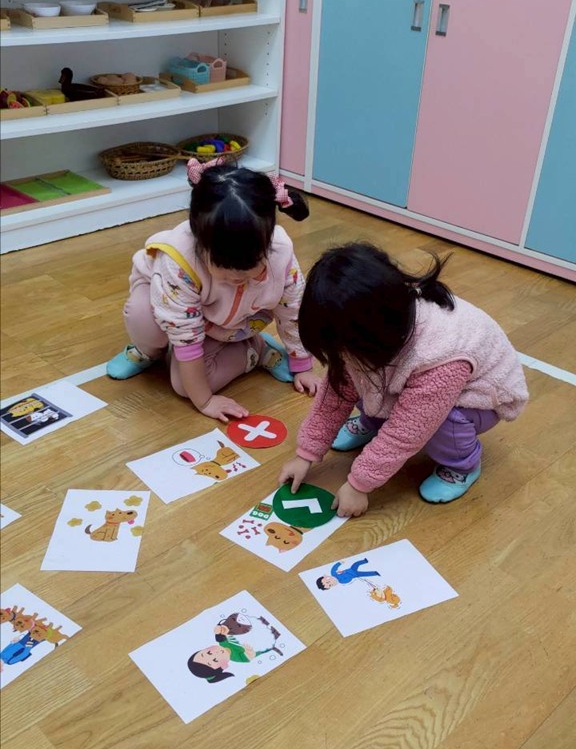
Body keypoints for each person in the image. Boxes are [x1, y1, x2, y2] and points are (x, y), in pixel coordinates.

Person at [279, 243, 528, 514]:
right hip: (409, 373)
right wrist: (306, 454)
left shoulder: (438, 356)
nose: (341, 356)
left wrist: (359, 485)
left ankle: (463, 465)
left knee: (440, 422)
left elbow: (407, 431)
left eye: (345, 350)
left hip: (481, 397)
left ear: (371, 338)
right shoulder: (372, 332)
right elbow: (336, 394)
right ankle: (372, 422)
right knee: (361, 379)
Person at [106, 160, 321, 422]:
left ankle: (256, 349)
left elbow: (293, 311)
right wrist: (205, 401)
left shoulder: (281, 253)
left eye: (251, 265)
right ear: (198, 240)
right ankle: (147, 352)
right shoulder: (180, 259)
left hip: (233, 322)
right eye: (223, 266)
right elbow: (184, 333)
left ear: (267, 242)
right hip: (170, 305)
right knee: (143, 318)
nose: (236, 277)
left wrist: (302, 365)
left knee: (184, 386)